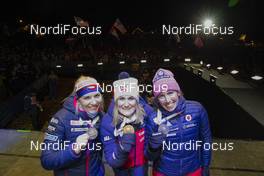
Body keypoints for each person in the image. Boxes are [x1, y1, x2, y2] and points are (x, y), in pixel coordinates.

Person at [145, 68, 212, 176]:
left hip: (193, 170)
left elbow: (206, 140)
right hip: (164, 172)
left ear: (178, 92)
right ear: (157, 99)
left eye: (170, 93)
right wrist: (152, 148)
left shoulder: (197, 109)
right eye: (161, 96)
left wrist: (206, 165)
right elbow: (149, 157)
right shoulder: (153, 119)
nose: (167, 100)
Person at [40, 76, 105, 176]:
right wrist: (73, 149)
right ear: (78, 99)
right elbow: (47, 161)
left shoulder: (101, 115)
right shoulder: (60, 119)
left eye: (97, 95)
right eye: (87, 97)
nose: (94, 102)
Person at [100, 77, 151, 175]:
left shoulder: (146, 113)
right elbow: (112, 161)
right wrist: (122, 149)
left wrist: (154, 146)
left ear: (137, 100)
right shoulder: (107, 122)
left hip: (141, 166)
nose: (126, 104)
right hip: (121, 169)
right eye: (121, 99)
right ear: (115, 101)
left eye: (131, 98)